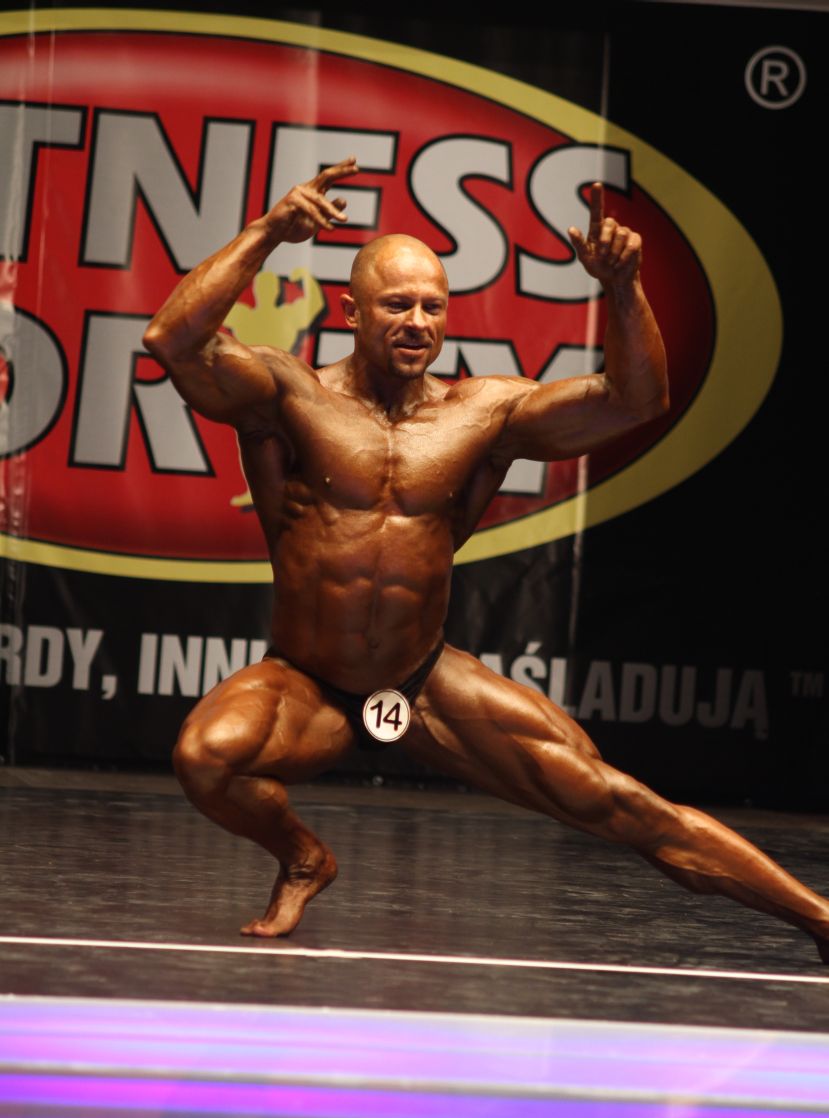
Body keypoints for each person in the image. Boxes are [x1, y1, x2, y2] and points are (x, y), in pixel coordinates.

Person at [144, 157, 829, 959]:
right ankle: (303, 857)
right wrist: (267, 232)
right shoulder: (288, 395)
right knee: (206, 759)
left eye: (432, 307)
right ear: (350, 310)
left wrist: (622, 289)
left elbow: (635, 399)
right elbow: (172, 339)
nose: (417, 322)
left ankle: (818, 919)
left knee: (620, 804)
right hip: (306, 681)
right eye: (396, 305)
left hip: (423, 680)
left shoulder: (482, 413)